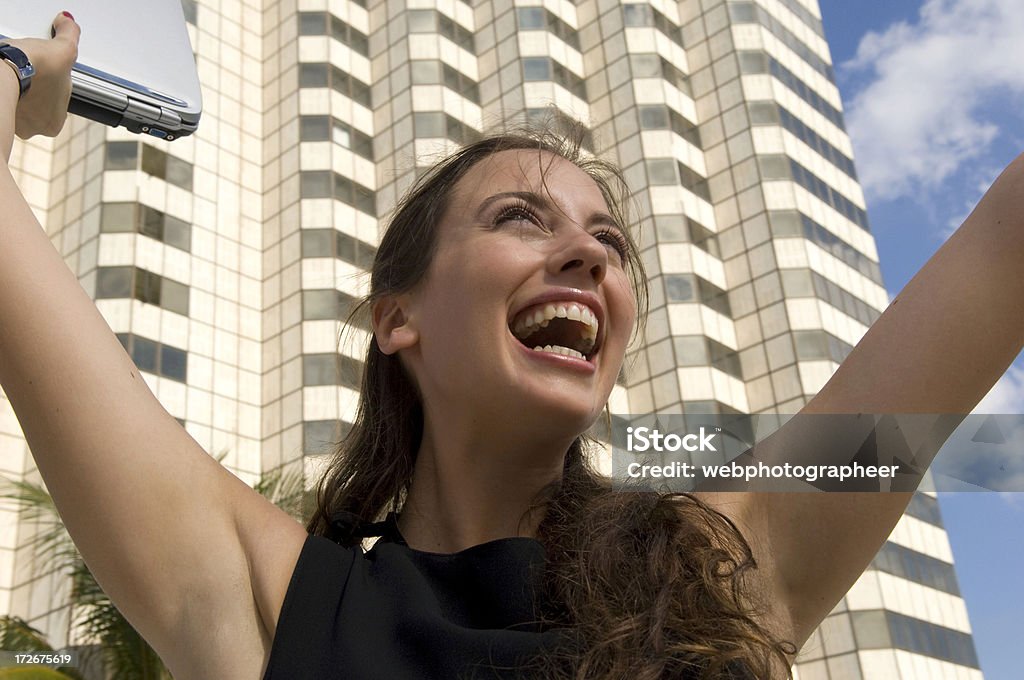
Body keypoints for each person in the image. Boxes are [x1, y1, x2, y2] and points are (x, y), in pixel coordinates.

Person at [2, 14, 1022, 680]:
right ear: (396, 316)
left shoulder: (720, 560)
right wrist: (15, 69)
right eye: (521, 219)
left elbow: (1004, 245)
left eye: (608, 240)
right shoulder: (268, 601)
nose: (586, 250)